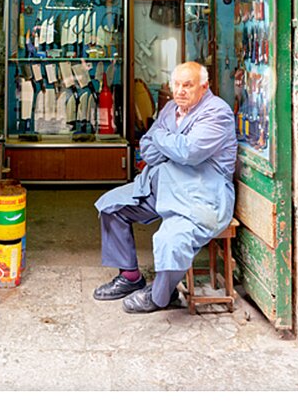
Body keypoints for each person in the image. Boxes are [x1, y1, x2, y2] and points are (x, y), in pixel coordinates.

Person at [93, 61, 237, 313]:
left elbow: (189, 151)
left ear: (204, 86)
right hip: (160, 185)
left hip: (199, 196)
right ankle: (129, 277)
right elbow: (147, 148)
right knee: (111, 206)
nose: (180, 91)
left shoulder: (217, 112)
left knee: (171, 240)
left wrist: (160, 139)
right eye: (177, 85)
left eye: (188, 85)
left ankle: (161, 296)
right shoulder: (171, 108)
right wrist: (167, 145)